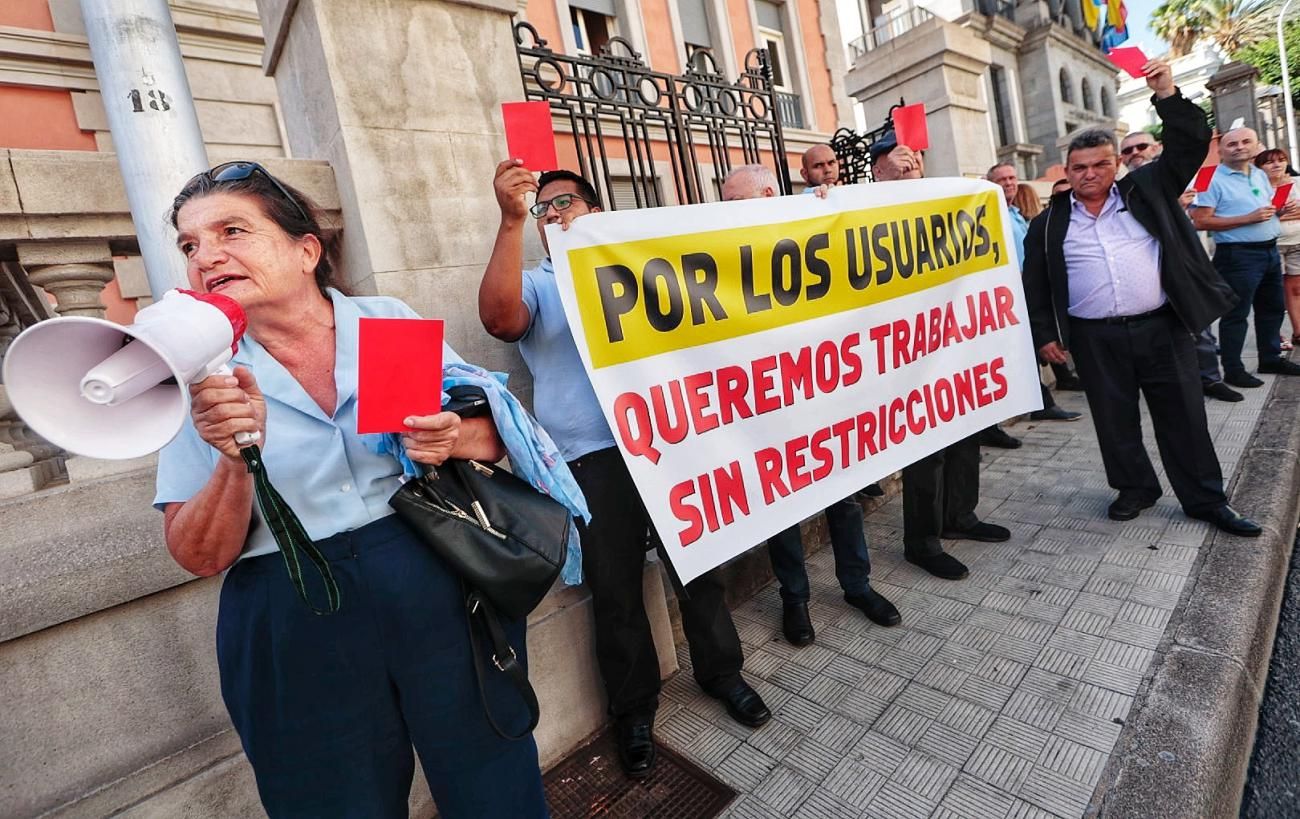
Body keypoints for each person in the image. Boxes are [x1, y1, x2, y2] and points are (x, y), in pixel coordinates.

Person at [154, 162, 549, 817]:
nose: (207, 256)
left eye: (232, 231)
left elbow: (500, 436)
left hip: (431, 568)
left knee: (493, 774)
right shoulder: (199, 372)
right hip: (290, 602)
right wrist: (232, 460)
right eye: (190, 245)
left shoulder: (381, 322)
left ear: (307, 249)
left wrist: (452, 435)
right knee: (331, 798)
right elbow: (198, 554)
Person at [478, 162, 770, 780]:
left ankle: (723, 673)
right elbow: (500, 320)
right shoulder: (538, 282)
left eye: (564, 203)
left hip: (667, 444)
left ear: (595, 212)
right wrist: (509, 221)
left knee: (699, 567)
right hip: (591, 458)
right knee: (614, 592)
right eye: (542, 209)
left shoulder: (642, 267)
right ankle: (634, 710)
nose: (552, 214)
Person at [1023, 60, 1261, 536]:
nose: (1090, 174)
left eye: (1100, 165)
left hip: (1161, 326)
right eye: (1080, 167)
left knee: (1184, 418)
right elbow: (1036, 285)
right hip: (1094, 337)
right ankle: (1135, 489)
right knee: (1114, 421)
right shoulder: (1047, 223)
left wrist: (1166, 93)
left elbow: (1193, 140)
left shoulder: (1149, 188)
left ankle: (1206, 499)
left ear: (1115, 164)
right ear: (1067, 171)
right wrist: (1046, 335)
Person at [719, 163, 901, 646]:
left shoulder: (810, 223)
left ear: (769, 194)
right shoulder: (719, 249)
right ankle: (794, 598)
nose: (728, 211)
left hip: (822, 391)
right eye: (725, 203)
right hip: (768, 399)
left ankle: (857, 585)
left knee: (843, 497)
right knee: (780, 508)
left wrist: (833, 204)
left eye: (736, 201)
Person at [869, 131, 1012, 580]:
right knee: (925, 450)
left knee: (966, 435)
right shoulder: (864, 206)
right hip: (905, 350)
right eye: (899, 158)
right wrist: (892, 184)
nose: (910, 163)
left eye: (915, 158)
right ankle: (922, 541)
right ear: (877, 167)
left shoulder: (942, 202)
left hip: (952, 339)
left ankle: (960, 516)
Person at [1124, 130, 1241, 401]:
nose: (1135, 153)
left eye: (1141, 146)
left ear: (1156, 147)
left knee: (1199, 324)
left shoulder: (1178, 176)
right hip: (1147, 272)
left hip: (1183, 263)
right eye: (1128, 150)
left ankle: (1210, 379)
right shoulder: (1124, 188)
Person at [1191, 127, 1300, 384]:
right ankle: (1233, 368)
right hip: (1237, 256)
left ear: (1256, 145)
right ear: (1220, 149)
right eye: (1232, 144)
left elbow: (1261, 211)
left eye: (1245, 142)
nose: (1239, 147)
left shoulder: (1259, 174)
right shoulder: (1208, 176)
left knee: (1272, 308)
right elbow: (1200, 221)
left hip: (1269, 250)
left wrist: (1279, 212)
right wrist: (1248, 219)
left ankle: (1270, 357)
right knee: (1236, 314)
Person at [987, 162, 1083, 422]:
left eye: (1011, 177)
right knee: (1025, 349)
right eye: (1001, 179)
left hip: (1029, 290)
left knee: (1032, 346)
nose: (1008, 183)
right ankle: (1042, 403)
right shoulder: (989, 216)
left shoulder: (1016, 214)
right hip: (1011, 293)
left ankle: (1046, 398)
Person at [1254, 147, 1300, 351]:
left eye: (1281, 160)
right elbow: (1263, 217)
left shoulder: (1296, 183)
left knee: (1296, 289)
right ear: (1260, 167)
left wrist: (1280, 214)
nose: (1277, 165)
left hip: (1297, 241)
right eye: (1270, 162)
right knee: (1272, 294)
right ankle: (1275, 336)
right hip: (1271, 244)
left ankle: (1298, 331)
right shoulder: (1257, 188)